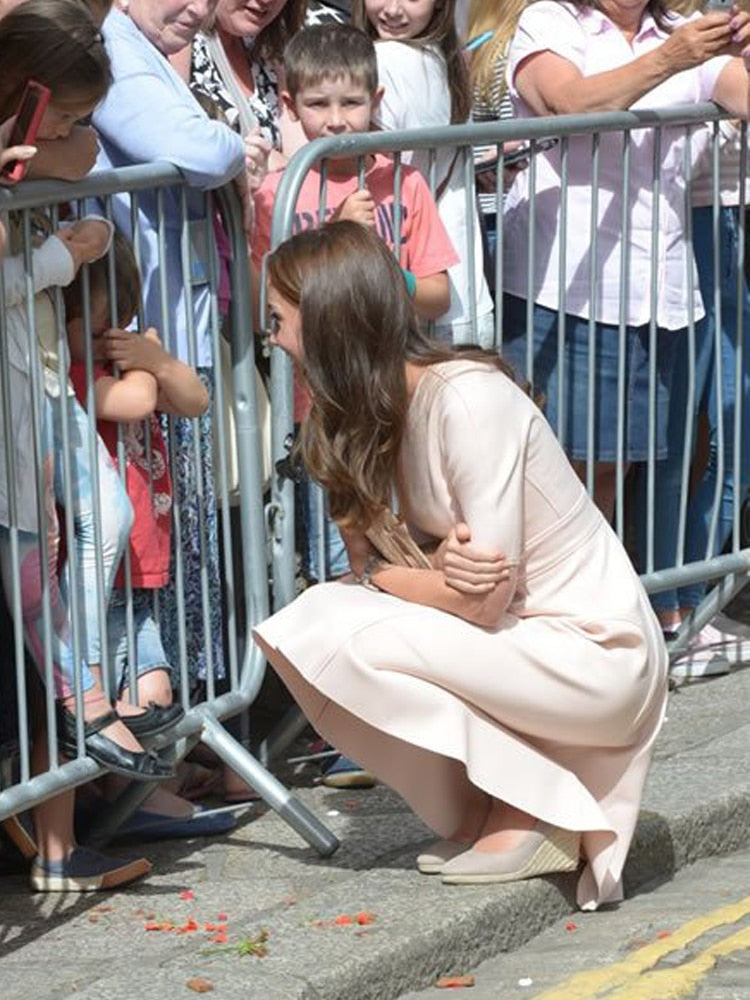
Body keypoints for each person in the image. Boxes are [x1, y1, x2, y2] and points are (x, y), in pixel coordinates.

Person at [253, 221, 668, 911]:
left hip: (595, 657)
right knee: (322, 621)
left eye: (279, 321)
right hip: (523, 644)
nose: (273, 340)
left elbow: (476, 601)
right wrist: (414, 575)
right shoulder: (374, 410)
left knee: (329, 617)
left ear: (327, 320)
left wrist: (388, 580)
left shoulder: (468, 400)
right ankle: (500, 806)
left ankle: (531, 807)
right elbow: (420, 578)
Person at [0, 0, 163, 892]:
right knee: (32, 562)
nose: (72, 132)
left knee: (92, 516)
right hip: (13, 402)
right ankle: (85, 700)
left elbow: (82, 155)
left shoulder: (38, 137)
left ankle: (88, 697)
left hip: (32, 383)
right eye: (58, 109)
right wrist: (65, 257)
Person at [501, 0, 750, 519]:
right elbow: (567, 102)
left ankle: (588, 589)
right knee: (553, 474)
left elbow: (742, 92)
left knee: (612, 472)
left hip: (656, 293)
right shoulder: (550, 21)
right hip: (562, 290)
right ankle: (546, 594)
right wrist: (670, 60)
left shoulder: (685, 33)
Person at [91, 0, 250, 694]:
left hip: (166, 342)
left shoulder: (144, 47)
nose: (199, 7)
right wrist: (229, 138)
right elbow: (207, 150)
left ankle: (182, 739)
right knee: (149, 570)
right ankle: (160, 754)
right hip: (131, 344)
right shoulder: (115, 48)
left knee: (183, 557)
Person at [63, 232, 238, 838]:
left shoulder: (128, 362)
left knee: (153, 686)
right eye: (100, 325)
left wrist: (159, 360)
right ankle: (134, 798)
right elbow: (138, 403)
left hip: (144, 557)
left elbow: (193, 398)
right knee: (125, 684)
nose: (114, 337)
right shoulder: (75, 375)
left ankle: (142, 795)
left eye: (123, 322)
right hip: (100, 564)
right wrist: (146, 362)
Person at [353, 0, 494, 345]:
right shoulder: (442, 59)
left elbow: (366, 170)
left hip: (410, 306)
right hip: (463, 298)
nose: (393, 10)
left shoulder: (383, 58)